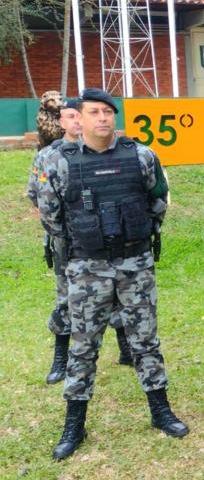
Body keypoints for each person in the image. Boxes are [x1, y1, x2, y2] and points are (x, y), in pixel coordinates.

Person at [38, 87, 188, 460]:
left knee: (146, 340)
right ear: (80, 118)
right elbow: (50, 213)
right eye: (94, 112)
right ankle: (74, 423)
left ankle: (160, 410)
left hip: (135, 264)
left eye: (108, 111)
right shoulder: (58, 160)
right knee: (84, 346)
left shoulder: (140, 156)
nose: (102, 118)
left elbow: (158, 200)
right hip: (87, 266)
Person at [27, 99, 132, 385]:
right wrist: (65, 233)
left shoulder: (109, 153)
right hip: (68, 242)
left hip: (107, 238)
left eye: (78, 115)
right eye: (69, 117)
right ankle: (61, 357)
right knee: (67, 298)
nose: (75, 121)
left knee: (118, 292)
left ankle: (127, 349)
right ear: (61, 122)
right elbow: (38, 198)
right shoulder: (49, 156)